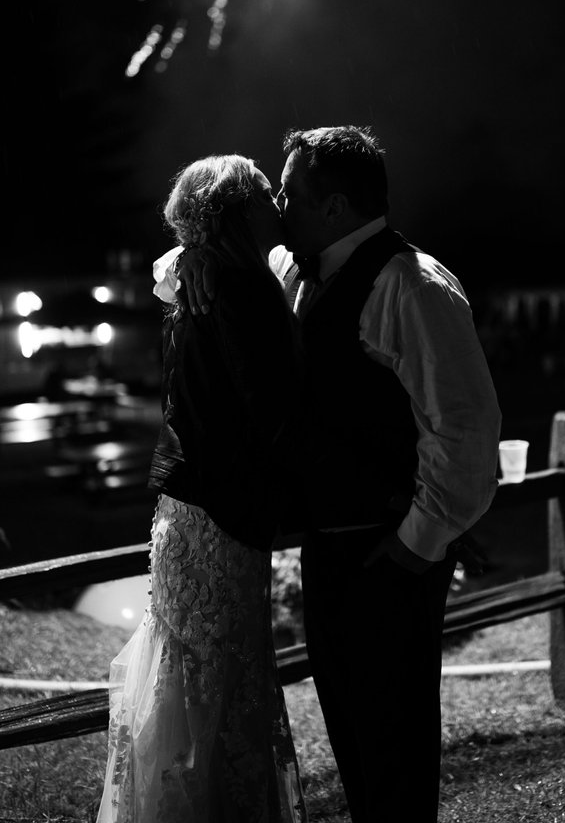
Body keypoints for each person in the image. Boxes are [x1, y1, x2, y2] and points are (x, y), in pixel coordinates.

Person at [155, 126, 502, 823]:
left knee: (395, 741)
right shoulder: (295, 266)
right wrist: (194, 259)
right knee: (350, 729)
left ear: (336, 206)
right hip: (328, 547)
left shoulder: (412, 284)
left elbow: (464, 429)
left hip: (391, 550)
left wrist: (416, 544)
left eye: (289, 193)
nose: (278, 207)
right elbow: (175, 265)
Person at [97, 154, 309, 823]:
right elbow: (268, 409)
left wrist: (194, 255)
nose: (278, 202)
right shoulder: (237, 287)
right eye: (266, 194)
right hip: (221, 510)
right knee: (216, 681)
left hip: (188, 508)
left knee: (194, 676)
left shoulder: (205, 278)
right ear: (238, 212)